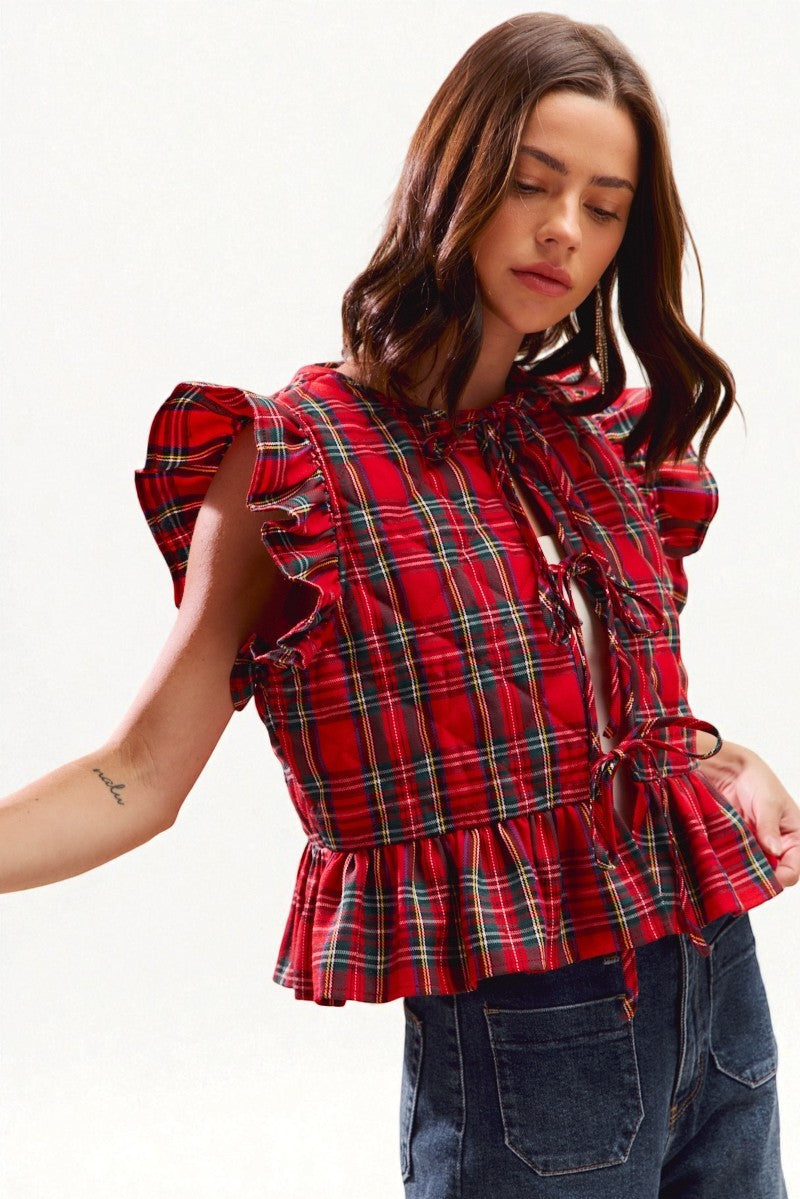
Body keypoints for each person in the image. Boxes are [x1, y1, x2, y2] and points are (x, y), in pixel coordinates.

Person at [2, 11, 797, 1197]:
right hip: (536, 1045)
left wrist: (722, 756)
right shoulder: (296, 462)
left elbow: (573, 718)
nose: (561, 232)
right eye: (531, 183)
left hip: (719, 1001)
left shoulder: (579, 431)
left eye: (603, 204)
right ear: (454, 177)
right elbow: (138, 775)